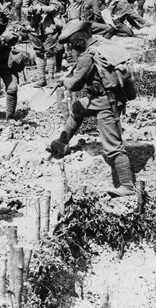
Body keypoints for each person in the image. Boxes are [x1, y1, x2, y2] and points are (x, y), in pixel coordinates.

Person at [49, 21, 137, 198]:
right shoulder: (101, 45)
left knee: (112, 146)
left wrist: (64, 81)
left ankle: (127, 186)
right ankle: (62, 142)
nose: (72, 48)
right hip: (106, 98)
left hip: (106, 104)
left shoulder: (87, 57)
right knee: (78, 108)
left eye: (73, 44)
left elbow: (75, 84)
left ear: (81, 39)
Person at [22, 0, 62, 86]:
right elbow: (23, 8)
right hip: (35, 25)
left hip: (48, 24)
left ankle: (51, 79)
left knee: (50, 52)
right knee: (38, 52)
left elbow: (55, 7)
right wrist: (28, 10)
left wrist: (42, 8)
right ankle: (42, 79)